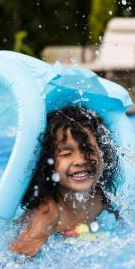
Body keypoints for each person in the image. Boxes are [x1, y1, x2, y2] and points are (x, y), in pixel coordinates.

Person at [10, 106, 120, 257]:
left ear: (103, 155)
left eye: (89, 150)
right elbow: (15, 260)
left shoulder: (101, 198)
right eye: (67, 153)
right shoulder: (47, 213)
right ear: (47, 163)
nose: (81, 160)